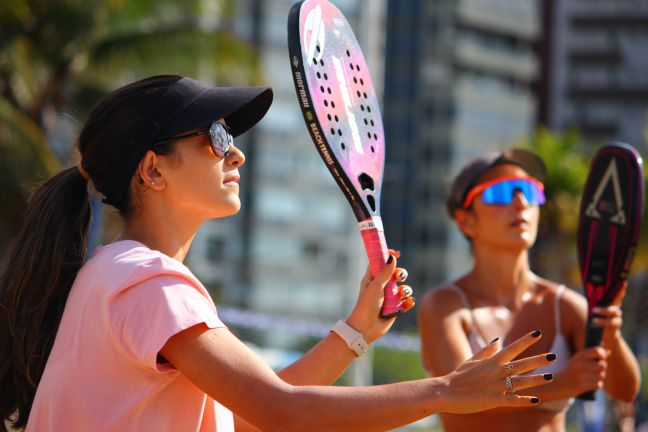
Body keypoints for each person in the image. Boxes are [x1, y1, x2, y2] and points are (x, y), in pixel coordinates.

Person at [0, 76, 555, 432]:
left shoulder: (114, 273)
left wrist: (356, 332)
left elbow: (243, 416)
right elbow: (280, 412)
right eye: (214, 136)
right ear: (152, 169)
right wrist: (447, 391)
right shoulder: (146, 281)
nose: (235, 153)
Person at [418, 149, 642, 432]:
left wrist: (612, 335)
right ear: (466, 221)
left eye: (529, 190)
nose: (521, 202)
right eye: (501, 192)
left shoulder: (565, 305)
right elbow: (458, 400)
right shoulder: (444, 306)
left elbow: (624, 390)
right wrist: (561, 385)